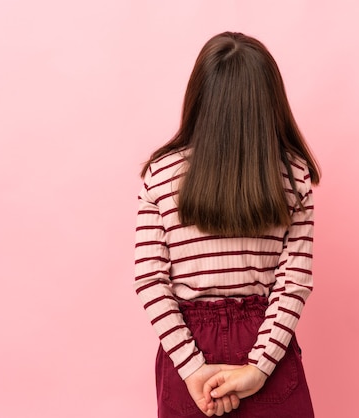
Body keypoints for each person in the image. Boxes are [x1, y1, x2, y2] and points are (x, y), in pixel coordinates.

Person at [134, 31, 320, 417]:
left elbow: (150, 278)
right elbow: (294, 282)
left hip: (186, 342)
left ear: (199, 97)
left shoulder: (161, 173)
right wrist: (259, 366)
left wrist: (192, 368)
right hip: (268, 337)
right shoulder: (293, 175)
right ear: (269, 101)